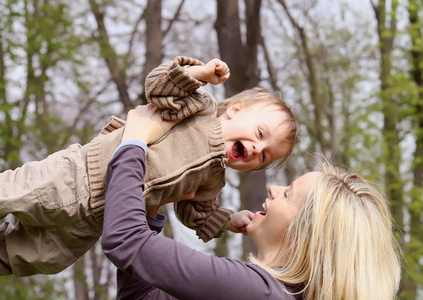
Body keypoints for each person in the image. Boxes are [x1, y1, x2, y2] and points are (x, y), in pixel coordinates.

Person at [0, 56, 299, 276]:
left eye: (264, 157)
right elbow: (158, 88)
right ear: (235, 110)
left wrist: (227, 221)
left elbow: (194, 213)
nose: (258, 149)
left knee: (41, 256)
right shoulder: (201, 108)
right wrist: (198, 73)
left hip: (94, 223)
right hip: (79, 176)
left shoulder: (213, 180)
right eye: (260, 134)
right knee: (15, 193)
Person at [101, 105, 401, 300]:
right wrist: (152, 203)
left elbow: (125, 242)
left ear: (303, 232)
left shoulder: (256, 291)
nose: (273, 188)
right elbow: (140, 298)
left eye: (288, 194)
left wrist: (135, 141)